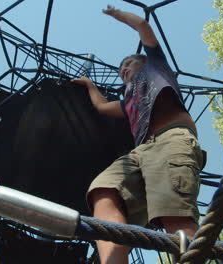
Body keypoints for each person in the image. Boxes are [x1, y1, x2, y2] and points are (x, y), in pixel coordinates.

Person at [71, 5, 203, 264]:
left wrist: (117, 14)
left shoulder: (156, 68)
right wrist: (89, 85)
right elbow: (100, 107)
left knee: (173, 212)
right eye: (121, 69)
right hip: (140, 151)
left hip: (171, 138)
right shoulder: (128, 100)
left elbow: (143, 27)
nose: (124, 69)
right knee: (103, 190)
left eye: (129, 63)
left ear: (142, 62)